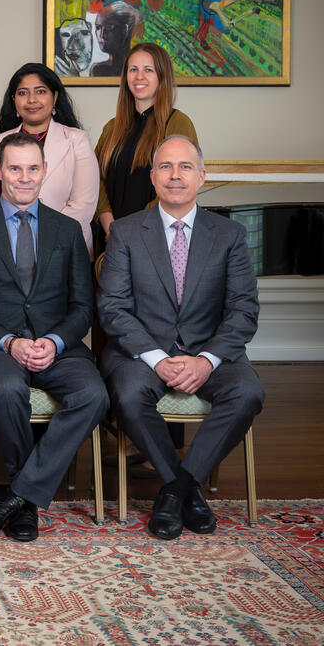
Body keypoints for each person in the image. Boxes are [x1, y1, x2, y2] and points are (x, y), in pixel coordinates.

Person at [97, 135, 263, 540]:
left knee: (247, 393)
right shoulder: (126, 232)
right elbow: (113, 308)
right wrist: (157, 358)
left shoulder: (229, 234)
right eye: (166, 167)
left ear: (201, 176)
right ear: (153, 177)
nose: (175, 175)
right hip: (142, 353)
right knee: (129, 396)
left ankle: (175, 490)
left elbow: (243, 310)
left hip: (210, 352)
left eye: (185, 166)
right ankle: (186, 491)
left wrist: (206, 361)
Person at [0, 133, 108, 542]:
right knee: (7, 389)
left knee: (94, 395)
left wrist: (54, 341)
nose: (24, 177)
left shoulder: (68, 230)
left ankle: (17, 496)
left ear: (44, 171)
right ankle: (27, 503)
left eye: (32, 168)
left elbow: (83, 307)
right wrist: (9, 342)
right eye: (15, 168)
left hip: (58, 347)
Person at [0, 63, 98, 250]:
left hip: (63, 247)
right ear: (13, 100)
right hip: (5, 248)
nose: (31, 100)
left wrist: (39, 241)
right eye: (23, 93)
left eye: (40, 91)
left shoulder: (77, 141)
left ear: (55, 97)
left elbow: (83, 205)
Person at [94, 42, 198, 243]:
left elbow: (178, 183)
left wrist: (133, 230)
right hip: (111, 238)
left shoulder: (178, 123)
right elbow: (95, 179)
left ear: (162, 76)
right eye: (133, 70)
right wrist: (110, 225)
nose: (139, 76)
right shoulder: (111, 128)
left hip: (154, 238)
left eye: (148, 70)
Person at [91, 1, 142, 77]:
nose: (102, 35)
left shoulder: (140, 68)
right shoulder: (98, 70)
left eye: (108, 27)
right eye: (98, 27)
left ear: (124, 31)